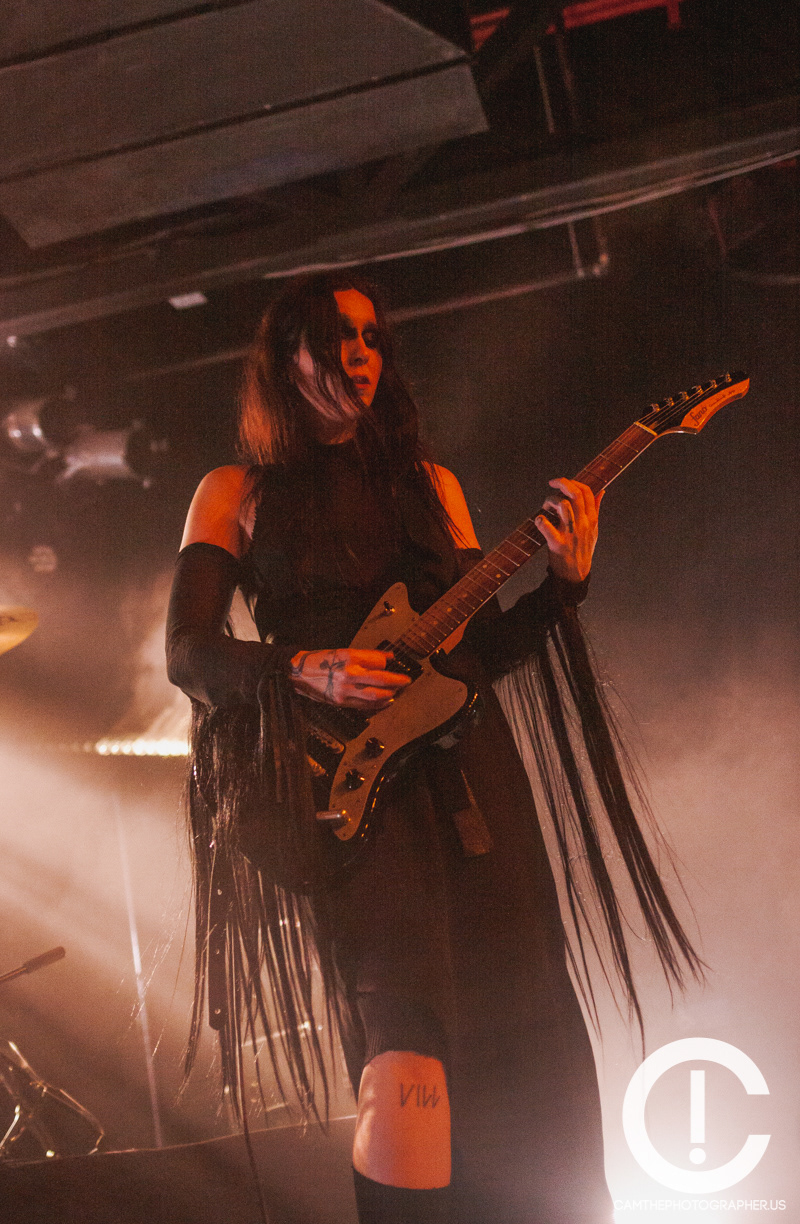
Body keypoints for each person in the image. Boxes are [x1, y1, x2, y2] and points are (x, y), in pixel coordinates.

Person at [166, 273, 700, 1224]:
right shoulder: (234, 491)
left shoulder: (431, 487)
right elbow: (190, 652)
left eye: (373, 336)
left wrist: (564, 586)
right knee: (404, 1032)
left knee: (526, 1020)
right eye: (337, 337)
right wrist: (306, 672)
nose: (361, 353)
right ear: (286, 358)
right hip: (356, 799)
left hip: (473, 783)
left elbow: (478, 654)